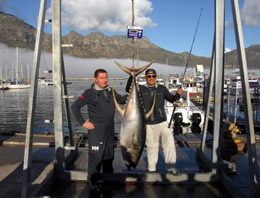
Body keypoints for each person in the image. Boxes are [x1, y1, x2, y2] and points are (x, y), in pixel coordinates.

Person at [71, 69, 127, 192]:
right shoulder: (89, 93)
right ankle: (93, 182)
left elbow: (122, 100)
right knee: (96, 157)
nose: (105, 80)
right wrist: (83, 122)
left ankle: (108, 179)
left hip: (109, 130)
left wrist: (133, 94)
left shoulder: (110, 91)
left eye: (106, 77)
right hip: (96, 131)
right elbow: (75, 106)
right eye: (101, 78)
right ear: (95, 79)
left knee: (109, 156)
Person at [126, 68, 183, 175]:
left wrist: (178, 94)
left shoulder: (162, 89)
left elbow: (172, 99)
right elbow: (128, 89)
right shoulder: (141, 89)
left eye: (153, 76)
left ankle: (171, 168)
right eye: (149, 76)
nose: (151, 78)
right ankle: (152, 169)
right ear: (146, 78)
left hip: (162, 122)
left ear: (156, 77)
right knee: (152, 147)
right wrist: (132, 76)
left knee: (169, 142)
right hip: (148, 124)